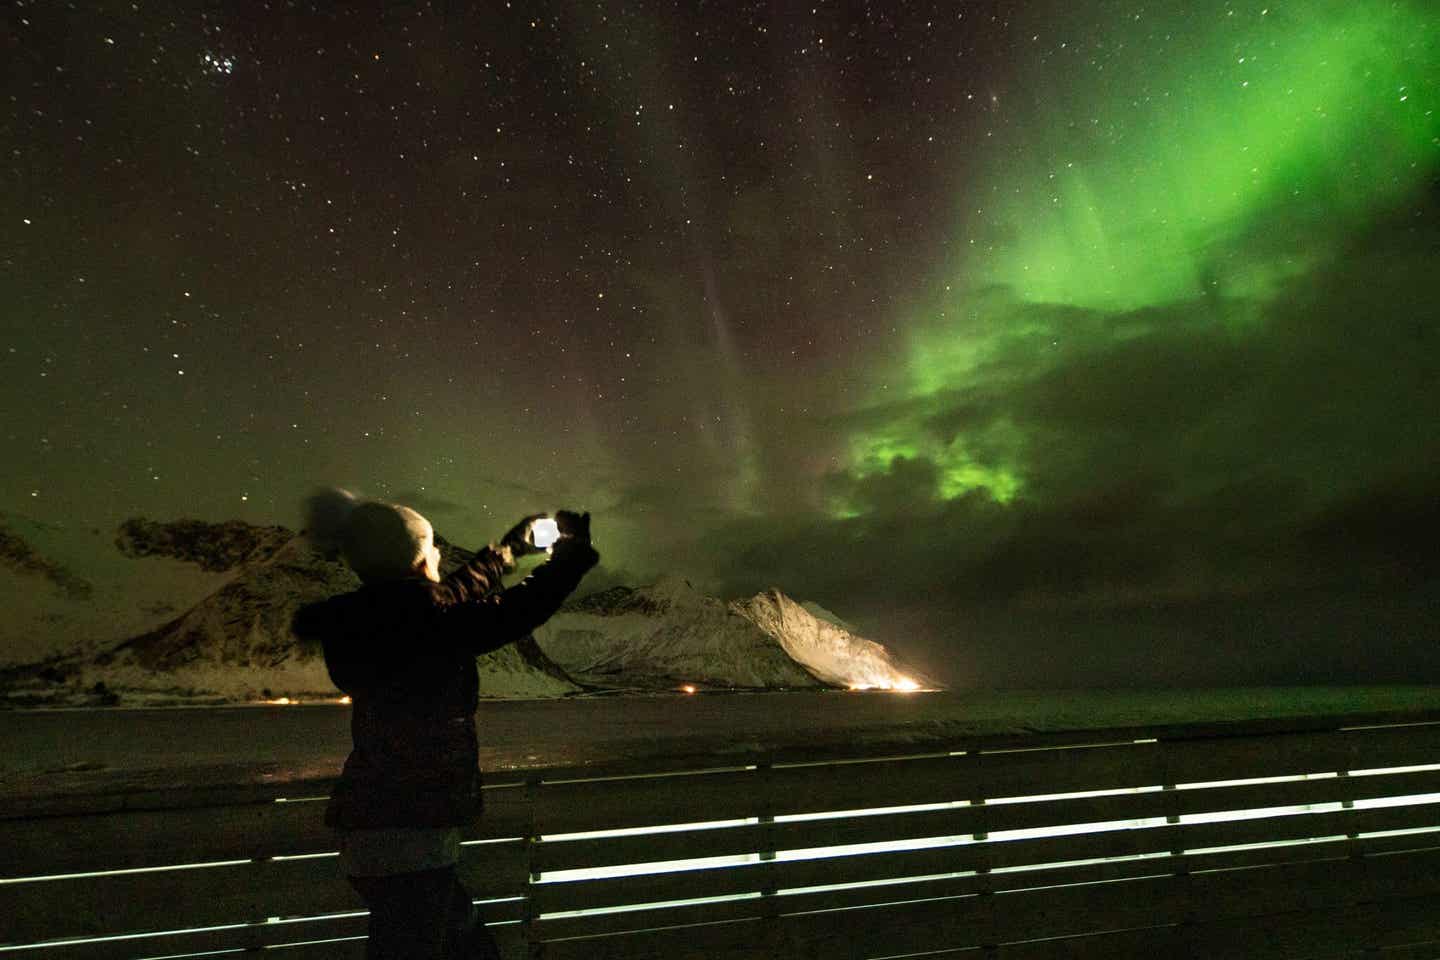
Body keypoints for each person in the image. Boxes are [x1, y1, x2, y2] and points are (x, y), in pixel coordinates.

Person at [292, 489, 599, 960]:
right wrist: (571, 558)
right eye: (432, 548)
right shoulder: (427, 627)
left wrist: (509, 551)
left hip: (375, 829)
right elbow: (521, 608)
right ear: (417, 561)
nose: (439, 555)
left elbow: (440, 599)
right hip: (412, 835)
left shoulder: (370, 621)